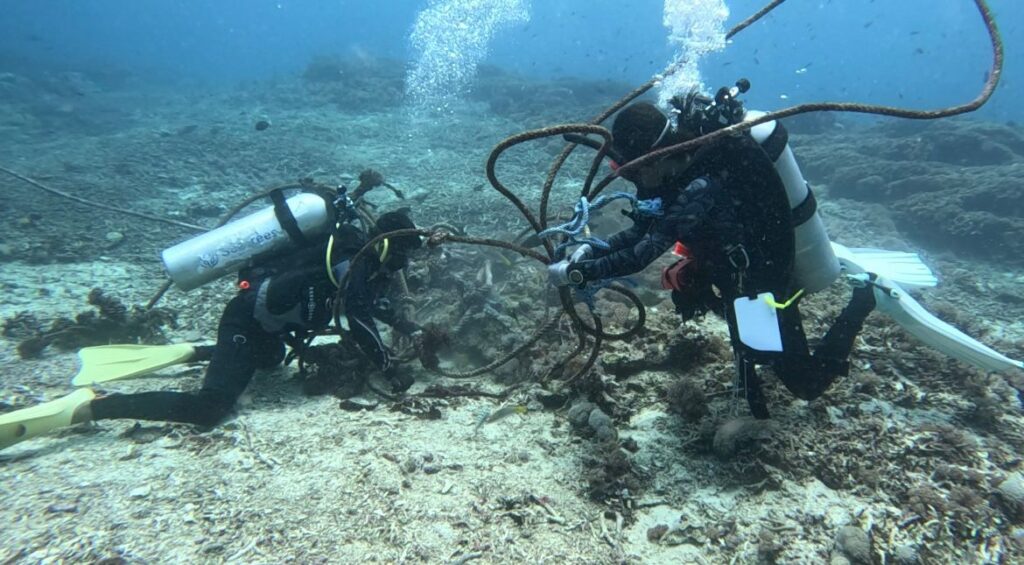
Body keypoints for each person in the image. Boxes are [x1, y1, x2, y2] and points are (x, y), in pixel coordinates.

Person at [549, 95, 876, 419]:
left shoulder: (699, 187)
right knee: (746, 344)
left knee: (805, 384)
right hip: (729, 273)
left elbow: (642, 254)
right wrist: (592, 248)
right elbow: (639, 233)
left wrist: (576, 274)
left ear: (656, 157)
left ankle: (865, 299)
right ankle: (751, 382)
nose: (635, 182)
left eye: (634, 172)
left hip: (762, 280)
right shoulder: (669, 177)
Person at [1, 207, 422, 450]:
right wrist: (388, 367)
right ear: (389, 246)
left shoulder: (353, 257)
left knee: (272, 362)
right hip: (245, 323)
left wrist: (400, 322)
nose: (403, 267)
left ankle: (197, 352)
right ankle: (91, 404)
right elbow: (361, 319)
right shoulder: (352, 262)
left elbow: (363, 305)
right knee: (210, 408)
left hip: (267, 334)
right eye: (403, 256)